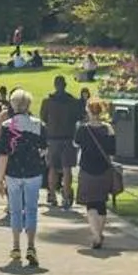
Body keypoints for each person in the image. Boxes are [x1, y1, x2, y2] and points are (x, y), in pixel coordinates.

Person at [0, 89, 49, 266]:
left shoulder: (7, 125)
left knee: (16, 210)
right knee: (31, 210)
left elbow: (3, 154)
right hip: (33, 171)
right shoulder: (38, 124)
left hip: (13, 172)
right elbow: (44, 149)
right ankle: (31, 246)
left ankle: (16, 246)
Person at [75, 99, 121, 250]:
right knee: (101, 203)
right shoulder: (108, 129)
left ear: (88, 111)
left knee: (90, 204)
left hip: (87, 169)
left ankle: (96, 235)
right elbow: (113, 151)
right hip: (104, 169)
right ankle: (98, 234)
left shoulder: (82, 129)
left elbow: (76, 144)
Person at [40, 74, 83, 211]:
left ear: (55, 85)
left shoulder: (47, 101)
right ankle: (65, 195)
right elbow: (79, 117)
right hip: (68, 138)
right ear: (65, 85)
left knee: (52, 167)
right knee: (67, 168)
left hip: (53, 138)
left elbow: (43, 117)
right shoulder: (72, 102)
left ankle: (52, 194)